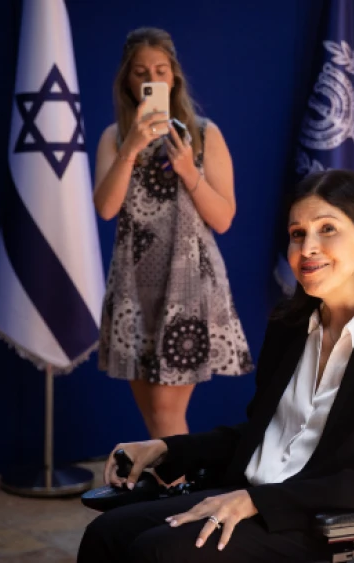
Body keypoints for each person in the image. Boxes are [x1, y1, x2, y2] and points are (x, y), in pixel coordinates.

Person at [78, 169, 354, 562]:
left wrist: (260, 501)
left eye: (327, 229)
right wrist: (165, 449)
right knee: (106, 534)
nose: (308, 248)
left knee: (159, 553)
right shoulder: (288, 329)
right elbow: (259, 434)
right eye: (298, 234)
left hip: (313, 523)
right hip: (245, 496)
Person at [93, 27, 254, 440]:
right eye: (141, 71)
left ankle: (176, 502)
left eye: (161, 70)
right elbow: (106, 208)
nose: (151, 79)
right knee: (153, 419)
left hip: (187, 284)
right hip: (134, 288)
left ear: (174, 76)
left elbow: (223, 219)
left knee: (166, 414)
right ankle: (170, 495)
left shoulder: (203, 133)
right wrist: (130, 148)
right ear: (127, 81)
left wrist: (187, 172)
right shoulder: (113, 139)